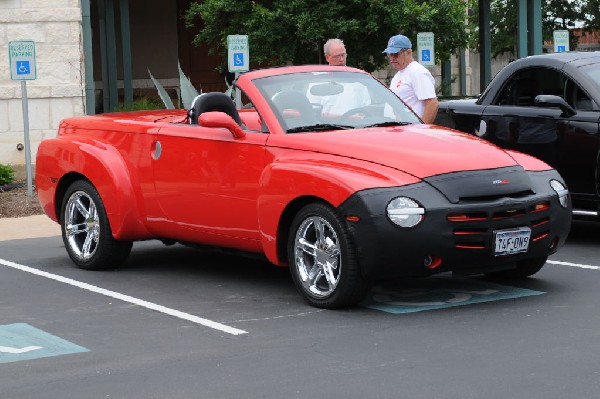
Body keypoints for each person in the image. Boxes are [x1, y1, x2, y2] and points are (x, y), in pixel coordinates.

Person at [383, 34, 439, 124]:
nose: (392, 58)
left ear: (408, 53)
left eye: (396, 54)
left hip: (409, 130)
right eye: (390, 54)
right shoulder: (399, 73)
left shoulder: (417, 72)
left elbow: (432, 103)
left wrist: (422, 129)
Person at [307, 38, 370, 116]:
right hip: (329, 126)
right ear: (327, 57)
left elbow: (366, 109)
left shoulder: (357, 80)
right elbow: (312, 112)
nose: (341, 60)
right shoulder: (318, 82)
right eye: (337, 56)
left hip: (356, 127)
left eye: (343, 55)